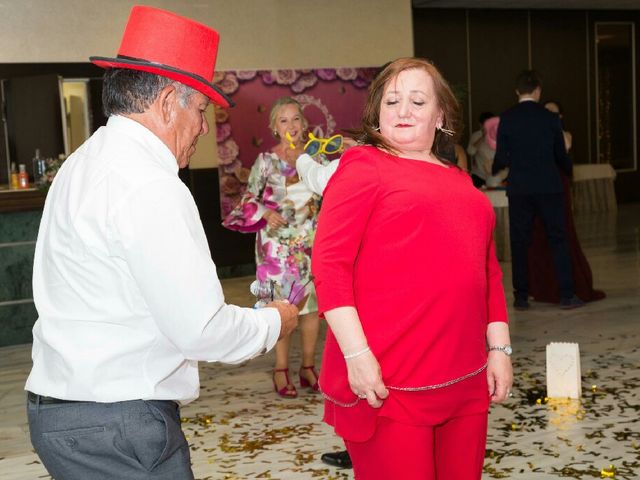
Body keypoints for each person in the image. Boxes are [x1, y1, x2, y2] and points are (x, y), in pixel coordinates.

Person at [25, 7, 298, 480]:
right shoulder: (150, 183)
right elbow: (201, 329)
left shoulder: (83, 161)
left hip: (58, 415)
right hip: (119, 420)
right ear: (169, 101)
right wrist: (274, 324)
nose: (203, 128)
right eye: (200, 110)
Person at [311, 57, 513, 479]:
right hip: (390, 378)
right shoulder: (364, 166)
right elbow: (330, 265)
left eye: (417, 101)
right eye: (392, 101)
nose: (403, 111)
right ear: (377, 113)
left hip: (464, 375)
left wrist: (499, 349)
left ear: (440, 116)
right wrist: (356, 354)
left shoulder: (461, 181)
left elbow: (487, 272)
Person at [224, 97, 327, 398]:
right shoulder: (266, 162)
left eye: (296, 119)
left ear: (305, 125)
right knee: (282, 310)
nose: (291, 125)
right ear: (273, 128)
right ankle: (281, 369)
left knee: (311, 309)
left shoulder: (316, 159)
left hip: (309, 243)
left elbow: (329, 195)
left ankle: (308, 367)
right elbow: (246, 199)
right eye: (284, 120)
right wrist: (266, 213)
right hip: (276, 250)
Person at [492, 70, 585, 310]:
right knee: (558, 238)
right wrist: (568, 170)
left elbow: (501, 157)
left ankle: (521, 296)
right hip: (549, 186)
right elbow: (560, 155)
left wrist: (498, 168)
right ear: (538, 91)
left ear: (517, 91)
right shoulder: (549, 118)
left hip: (520, 188)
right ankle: (566, 293)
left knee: (520, 241)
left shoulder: (507, 118)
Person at [527, 101, 606, 304]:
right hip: (539, 188)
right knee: (539, 235)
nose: (549, 115)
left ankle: (567, 284)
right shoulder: (538, 134)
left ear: (560, 116)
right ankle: (542, 285)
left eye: (554, 113)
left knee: (562, 232)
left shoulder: (565, 134)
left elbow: (564, 147)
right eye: (547, 112)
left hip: (558, 185)